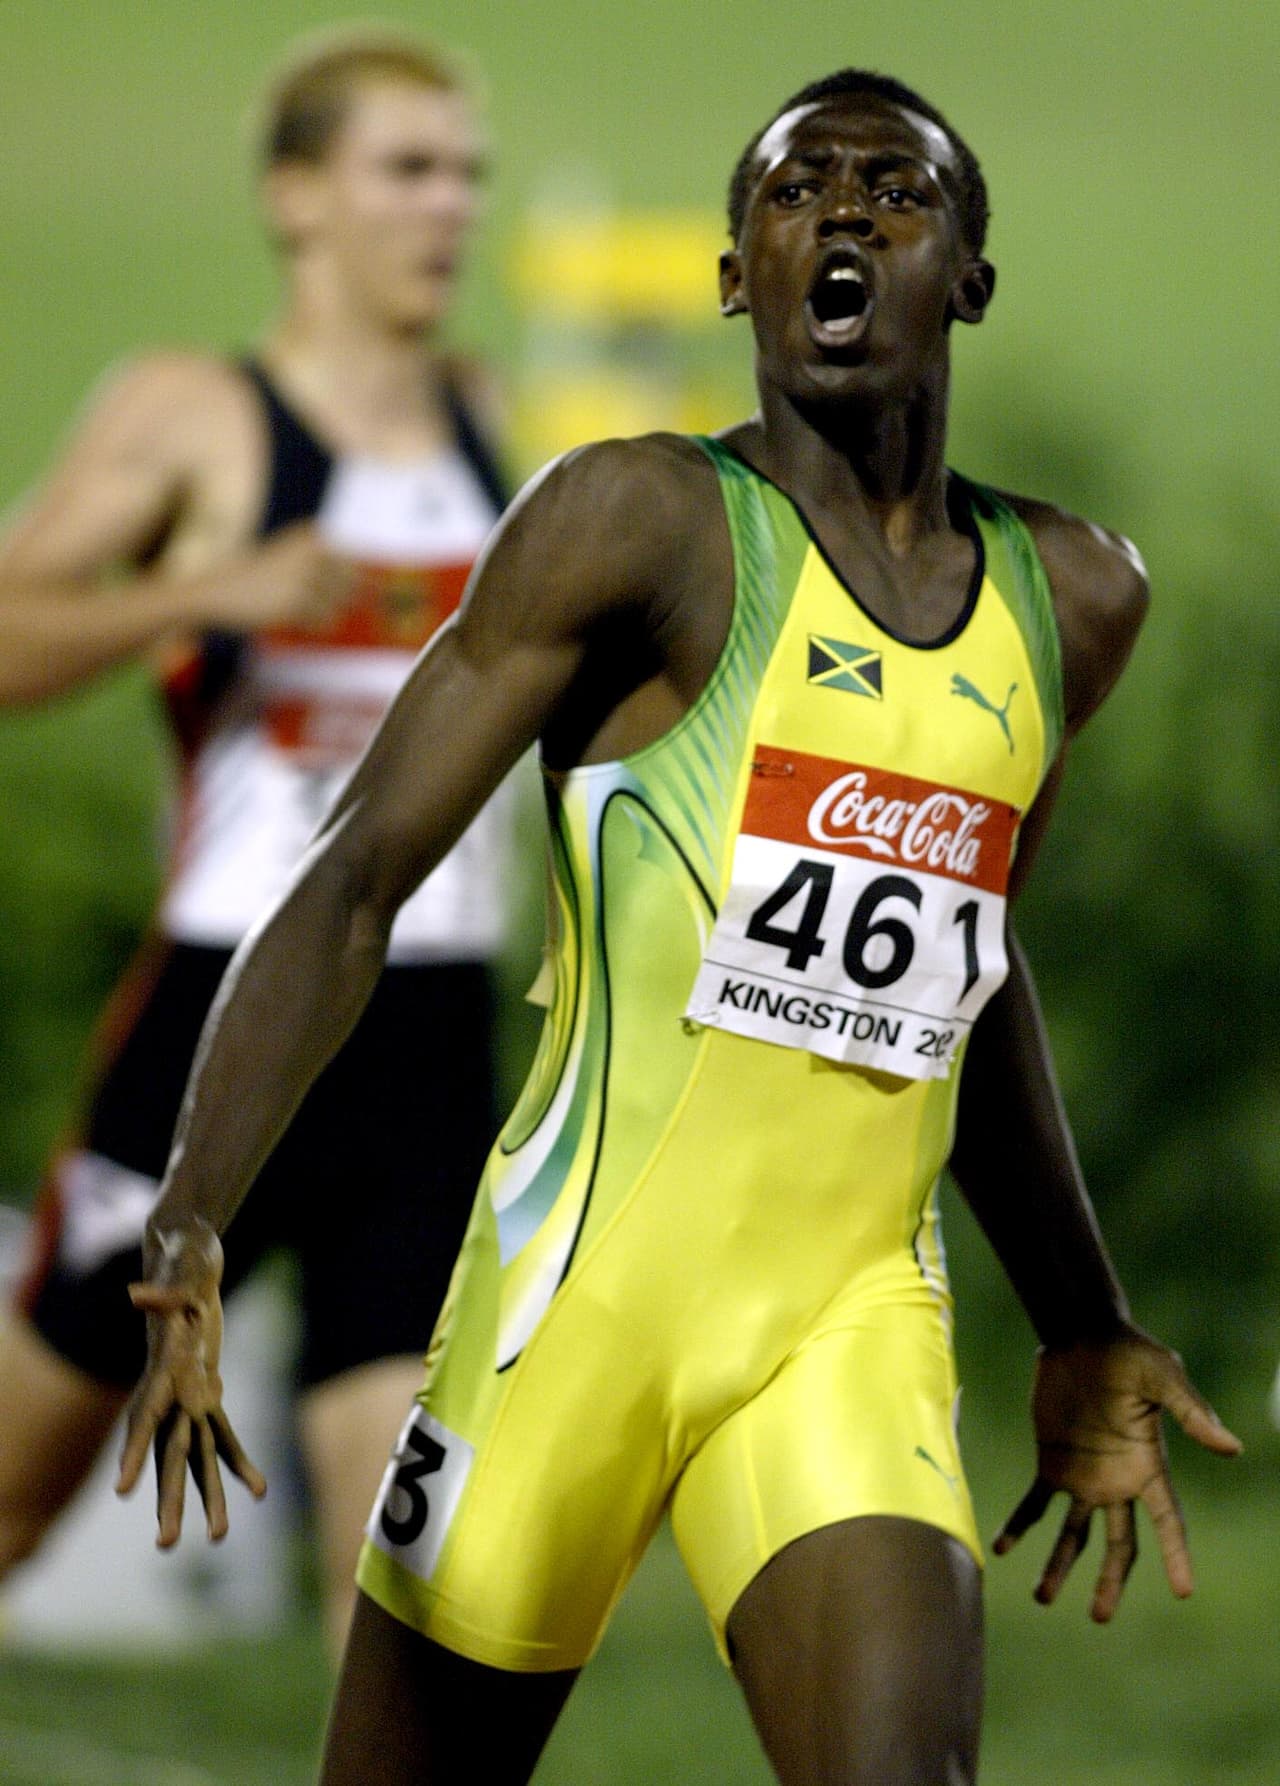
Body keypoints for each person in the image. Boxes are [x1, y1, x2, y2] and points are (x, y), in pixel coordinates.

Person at [116, 69, 1240, 1785]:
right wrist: (193, 1218)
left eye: (896, 189)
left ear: (971, 274)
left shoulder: (1074, 599)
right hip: (570, 1313)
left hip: (847, 1320)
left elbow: (972, 962)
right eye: (797, 191)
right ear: (736, 273)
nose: (844, 214)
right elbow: (352, 880)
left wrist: (1082, 1312)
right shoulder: (633, 525)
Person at [0, 26, 517, 1653]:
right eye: (409, 169)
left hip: (429, 1028)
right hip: (218, 1029)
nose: (453, 208)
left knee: (404, 1578)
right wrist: (197, 592)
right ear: (299, 197)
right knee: (18, 1493)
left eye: (467, 173)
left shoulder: (487, 422)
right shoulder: (196, 413)